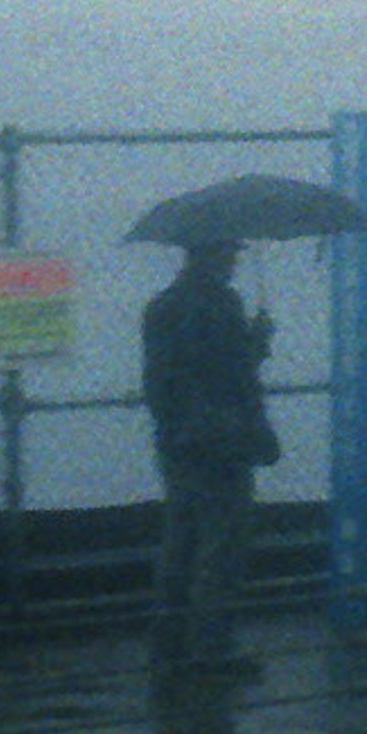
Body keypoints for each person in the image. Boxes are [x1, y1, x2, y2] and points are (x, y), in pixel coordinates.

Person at [142, 236, 278, 675]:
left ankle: (169, 645)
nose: (235, 261)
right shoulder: (221, 306)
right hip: (223, 443)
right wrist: (258, 340)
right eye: (229, 253)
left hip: (177, 443)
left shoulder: (161, 306)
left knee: (179, 545)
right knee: (220, 549)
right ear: (211, 254)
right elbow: (233, 373)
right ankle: (211, 649)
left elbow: (169, 377)